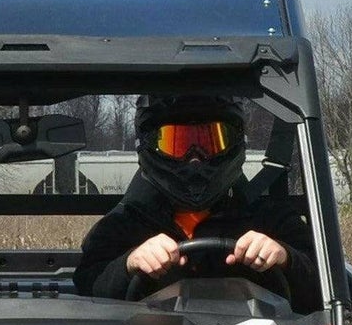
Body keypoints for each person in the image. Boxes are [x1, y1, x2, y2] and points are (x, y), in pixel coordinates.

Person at [74, 95, 320, 308]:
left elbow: (326, 288)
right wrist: (129, 263)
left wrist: (285, 257)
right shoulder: (124, 223)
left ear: (235, 142)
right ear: (149, 145)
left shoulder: (270, 218)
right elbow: (87, 287)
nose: (195, 160)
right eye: (176, 144)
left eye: (212, 142)